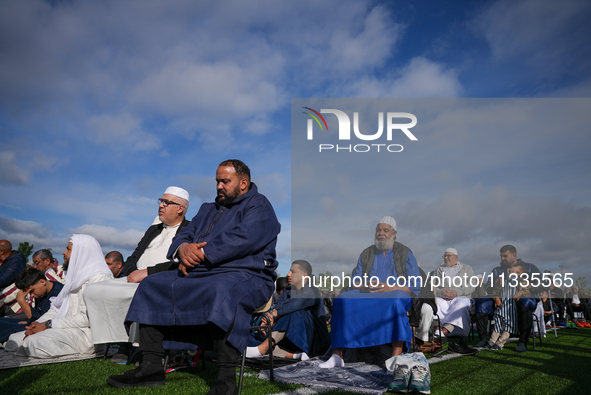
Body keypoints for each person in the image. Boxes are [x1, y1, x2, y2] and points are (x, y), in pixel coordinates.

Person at [106, 159, 281, 395]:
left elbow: (245, 238)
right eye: (217, 181)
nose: (219, 186)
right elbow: (185, 234)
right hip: (203, 273)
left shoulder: (259, 207)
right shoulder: (207, 208)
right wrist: (183, 248)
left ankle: (226, 378)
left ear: (243, 183)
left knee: (222, 289)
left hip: (249, 274)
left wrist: (201, 252)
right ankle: (151, 366)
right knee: (151, 285)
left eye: (225, 181)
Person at [83, 187, 190, 360]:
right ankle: (115, 338)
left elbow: (180, 262)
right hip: (134, 278)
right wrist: (133, 272)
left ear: (180, 208)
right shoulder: (153, 229)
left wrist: (147, 273)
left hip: (162, 279)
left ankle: (131, 346)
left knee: (137, 295)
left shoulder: (189, 229)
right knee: (93, 290)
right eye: (161, 201)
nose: (161, 205)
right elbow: (132, 257)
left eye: (167, 202)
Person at [320, 216, 421, 369]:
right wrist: (363, 287)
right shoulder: (366, 253)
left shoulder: (405, 253)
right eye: (378, 230)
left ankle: (396, 355)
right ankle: (337, 355)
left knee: (395, 300)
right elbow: (355, 281)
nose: (381, 233)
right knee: (342, 299)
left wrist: (390, 287)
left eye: (385, 230)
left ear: (394, 234)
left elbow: (415, 285)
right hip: (368, 292)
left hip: (395, 293)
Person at [5, 234, 113, 357]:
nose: (64, 253)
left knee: (33, 343)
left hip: (87, 335)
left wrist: (48, 325)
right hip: (65, 328)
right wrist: (38, 323)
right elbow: (57, 308)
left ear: (81, 252)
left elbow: (88, 319)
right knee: (14, 340)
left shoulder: (100, 278)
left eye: (68, 249)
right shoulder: (75, 278)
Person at [246, 260, 330, 360]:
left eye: (293, 272)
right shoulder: (287, 291)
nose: (288, 274)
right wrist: (267, 318)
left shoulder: (313, 292)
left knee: (294, 312)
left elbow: (296, 304)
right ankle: (295, 355)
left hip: (311, 340)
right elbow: (276, 307)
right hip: (290, 337)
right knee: (251, 336)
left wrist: (274, 314)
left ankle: (262, 349)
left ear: (304, 275)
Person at [474, 245, 544, 352]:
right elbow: (488, 287)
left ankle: (523, 341)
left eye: (505, 256)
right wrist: (495, 286)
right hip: (501, 299)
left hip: (523, 298)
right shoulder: (497, 270)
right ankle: (483, 339)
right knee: (481, 302)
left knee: (526, 301)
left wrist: (527, 287)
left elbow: (541, 284)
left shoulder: (529, 267)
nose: (502, 259)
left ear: (514, 255)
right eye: (501, 256)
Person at [431, 248, 477, 354]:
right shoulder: (439, 270)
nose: (446, 258)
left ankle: (443, 331)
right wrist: (441, 292)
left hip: (460, 296)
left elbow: (472, 285)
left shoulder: (466, 268)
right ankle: (437, 330)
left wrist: (456, 292)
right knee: (435, 303)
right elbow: (432, 286)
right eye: (445, 256)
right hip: (443, 297)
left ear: (456, 257)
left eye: (449, 256)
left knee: (462, 304)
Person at [0, 268, 64, 342]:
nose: (32, 295)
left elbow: (41, 321)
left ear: (42, 282)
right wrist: (30, 321)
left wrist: (21, 301)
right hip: (35, 323)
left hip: (47, 328)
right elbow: (37, 317)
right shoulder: (42, 291)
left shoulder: (58, 293)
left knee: (10, 329)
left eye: (32, 291)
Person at [485, 263, 528, 350]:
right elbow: (495, 291)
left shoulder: (521, 280)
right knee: (497, 323)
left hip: (511, 306)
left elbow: (527, 291)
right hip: (501, 305)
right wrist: (496, 298)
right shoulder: (502, 279)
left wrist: (521, 293)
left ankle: (500, 343)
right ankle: (491, 342)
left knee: (508, 325)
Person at [0, 240, 27, 317]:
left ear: (2, 251)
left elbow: (2, 280)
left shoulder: (16, 262)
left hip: (9, 302)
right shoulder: (8, 261)